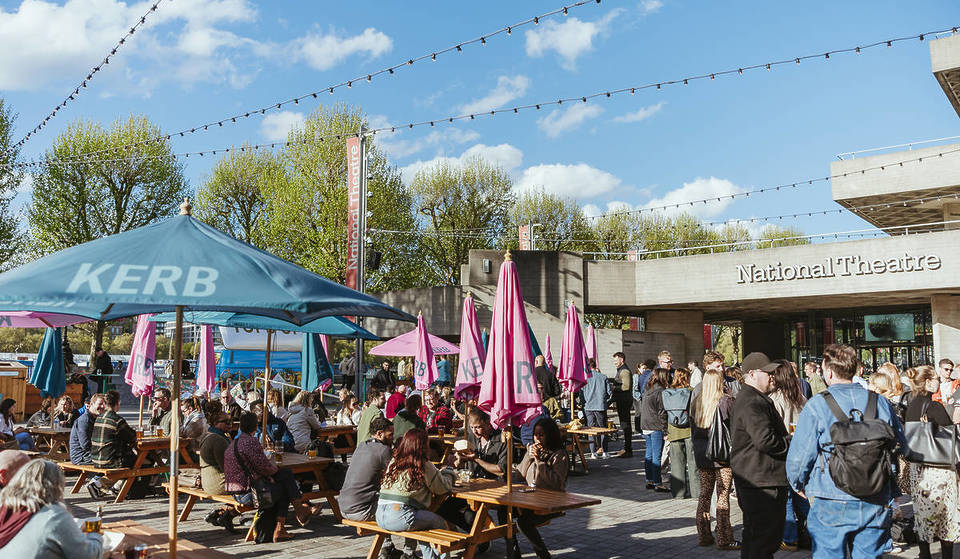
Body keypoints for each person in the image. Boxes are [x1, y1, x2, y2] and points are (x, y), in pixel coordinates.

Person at [786, 344, 907, 559]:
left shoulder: (816, 405)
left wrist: (797, 483)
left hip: (830, 494)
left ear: (829, 371)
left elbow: (801, 455)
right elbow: (899, 445)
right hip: (876, 493)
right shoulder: (880, 402)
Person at [730, 352, 790, 559]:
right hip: (762, 482)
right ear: (753, 374)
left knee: (757, 539)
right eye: (768, 373)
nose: (772, 376)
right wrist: (791, 441)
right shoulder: (751, 401)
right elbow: (765, 440)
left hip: (760, 478)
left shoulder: (752, 398)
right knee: (763, 540)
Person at [224, 412, 314, 542]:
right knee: (284, 486)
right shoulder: (250, 443)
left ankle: (296, 513)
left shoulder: (234, 443)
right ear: (255, 427)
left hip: (234, 490)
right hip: (249, 493)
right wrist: (275, 470)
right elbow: (265, 468)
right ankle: (289, 520)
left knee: (285, 476)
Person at [904, 365, 959, 559]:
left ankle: (925, 554)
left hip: (918, 469)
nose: (938, 381)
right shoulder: (934, 407)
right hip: (940, 468)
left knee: (923, 515)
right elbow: (951, 437)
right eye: (935, 378)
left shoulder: (910, 406)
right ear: (927, 382)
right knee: (946, 517)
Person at [376, 428, 455, 559]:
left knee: (423, 524)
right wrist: (449, 470)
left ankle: (430, 557)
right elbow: (442, 487)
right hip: (400, 516)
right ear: (423, 446)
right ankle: (444, 558)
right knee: (439, 523)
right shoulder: (422, 463)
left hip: (380, 515)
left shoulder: (394, 461)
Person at [0, 459, 104, 557]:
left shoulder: (7, 507)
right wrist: (94, 532)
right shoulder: (54, 515)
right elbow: (88, 555)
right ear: (57, 484)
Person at [504, 416, 568, 559]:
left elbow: (556, 482)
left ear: (550, 435)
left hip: (551, 500)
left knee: (523, 522)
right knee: (505, 511)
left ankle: (543, 554)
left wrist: (540, 462)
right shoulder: (534, 450)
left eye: (541, 435)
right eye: (535, 435)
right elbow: (520, 475)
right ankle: (513, 552)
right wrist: (528, 455)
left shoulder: (559, 454)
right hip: (531, 497)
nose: (537, 438)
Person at [691, 369, 739, 550]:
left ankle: (703, 535)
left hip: (703, 455)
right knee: (723, 494)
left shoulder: (696, 401)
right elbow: (734, 427)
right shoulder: (726, 401)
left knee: (704, 494)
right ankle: (725, 538)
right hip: (722, 455)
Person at [768, 359, 808, 552]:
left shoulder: (776, 399)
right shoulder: (800, 397)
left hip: (785, 452)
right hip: (801, 451)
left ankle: (790, 537)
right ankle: (812, 531)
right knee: (801, 493)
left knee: (788, 497)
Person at [341, 417, 395, 520]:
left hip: (344, 507)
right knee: (403, 509)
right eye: (390, 435)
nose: (393, 438)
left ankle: (387, 536)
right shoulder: (384, 450)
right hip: (362, 510)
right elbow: (396, 475)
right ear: (379, 434)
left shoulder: (362, 446)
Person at [88, 390, 137, 499]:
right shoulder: (117, 420)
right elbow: (132, 438)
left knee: (131, 459)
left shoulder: (99, 418)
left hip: (95, 458)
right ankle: (116, 487)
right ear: (118, 402)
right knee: (137, 461)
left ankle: (101, 483)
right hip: (109, 460)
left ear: (105, 403)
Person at [199, 413, 237, 532]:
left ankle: (224, 512)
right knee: (260, 486)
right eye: (225, 422)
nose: (229, 424)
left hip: (208, 481)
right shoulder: (218, 440)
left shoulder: (209, 435)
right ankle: (228, 513)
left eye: (230, 421)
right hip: (219, 484)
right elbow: (228, 468)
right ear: (215, 423)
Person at [663, 368, 697, 500]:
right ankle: (696, 493)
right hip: (689, 430)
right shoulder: (692, 391)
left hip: (673, 431)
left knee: (676, 464)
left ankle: (679, 493)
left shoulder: (667, 393)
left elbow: (663, 413)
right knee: (693, 463)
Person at [640, 368, 669, 491]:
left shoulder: (648, 388)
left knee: (649, 454)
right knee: (657, 455)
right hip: (655, 424)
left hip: (645, 424)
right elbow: (662, 412)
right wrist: (666, 430)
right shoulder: (660, 391)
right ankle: (658, 483)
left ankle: (650, 480)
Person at [579, 359, 611, 458]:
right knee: (603, 429)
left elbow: (581, 395)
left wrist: (582, 403)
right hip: (600, 406)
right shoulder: (603, 377)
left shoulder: (584, 378)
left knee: (590, 429)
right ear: (595, 365)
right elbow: (609, 393)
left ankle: (593, 452)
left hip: (588, 406)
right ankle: (605, 451)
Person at [69, 394, 106, 466]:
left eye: (104, 405)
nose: (102, 407)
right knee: (112, 459)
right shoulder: (84, 420)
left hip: (90, 454)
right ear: (91, 404)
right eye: (100, 404)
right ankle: (98, 477)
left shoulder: (97, 418)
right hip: (81, 456)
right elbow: (85, 445)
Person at [611, 351, 634, 458]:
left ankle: (628, 450)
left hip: (624, 401)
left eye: (616, 360)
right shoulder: (621, 370)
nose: (614, 362)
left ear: (622, 359)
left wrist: (613, 388)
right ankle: (626, 448)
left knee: (625, 425)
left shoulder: (624, 371)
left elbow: (626, 386)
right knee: (624, 425)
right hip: (622, 401)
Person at [632, 359, 654, 432]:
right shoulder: (636, 376)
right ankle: (637, 428)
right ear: (638, 368)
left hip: (639, 396)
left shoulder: (642, 376)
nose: (644, 370)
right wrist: (639, 396)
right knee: (638, 412)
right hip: (636, 397)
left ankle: (640, 427)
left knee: (641, 412)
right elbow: (635, 387)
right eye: (642, 368)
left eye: (645, 368)